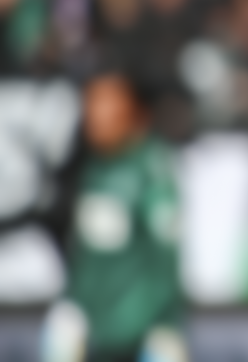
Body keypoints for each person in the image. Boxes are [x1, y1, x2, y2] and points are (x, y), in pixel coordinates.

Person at [42, 71, 187, 362]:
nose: (95, 115)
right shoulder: (91, 168)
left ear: (134, 112)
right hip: (92, 332)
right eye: (91, 103)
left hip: (141, 336)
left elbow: (166, 258)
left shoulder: (152, 170)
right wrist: (73, 308)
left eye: (106, 104)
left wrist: (165, 326)